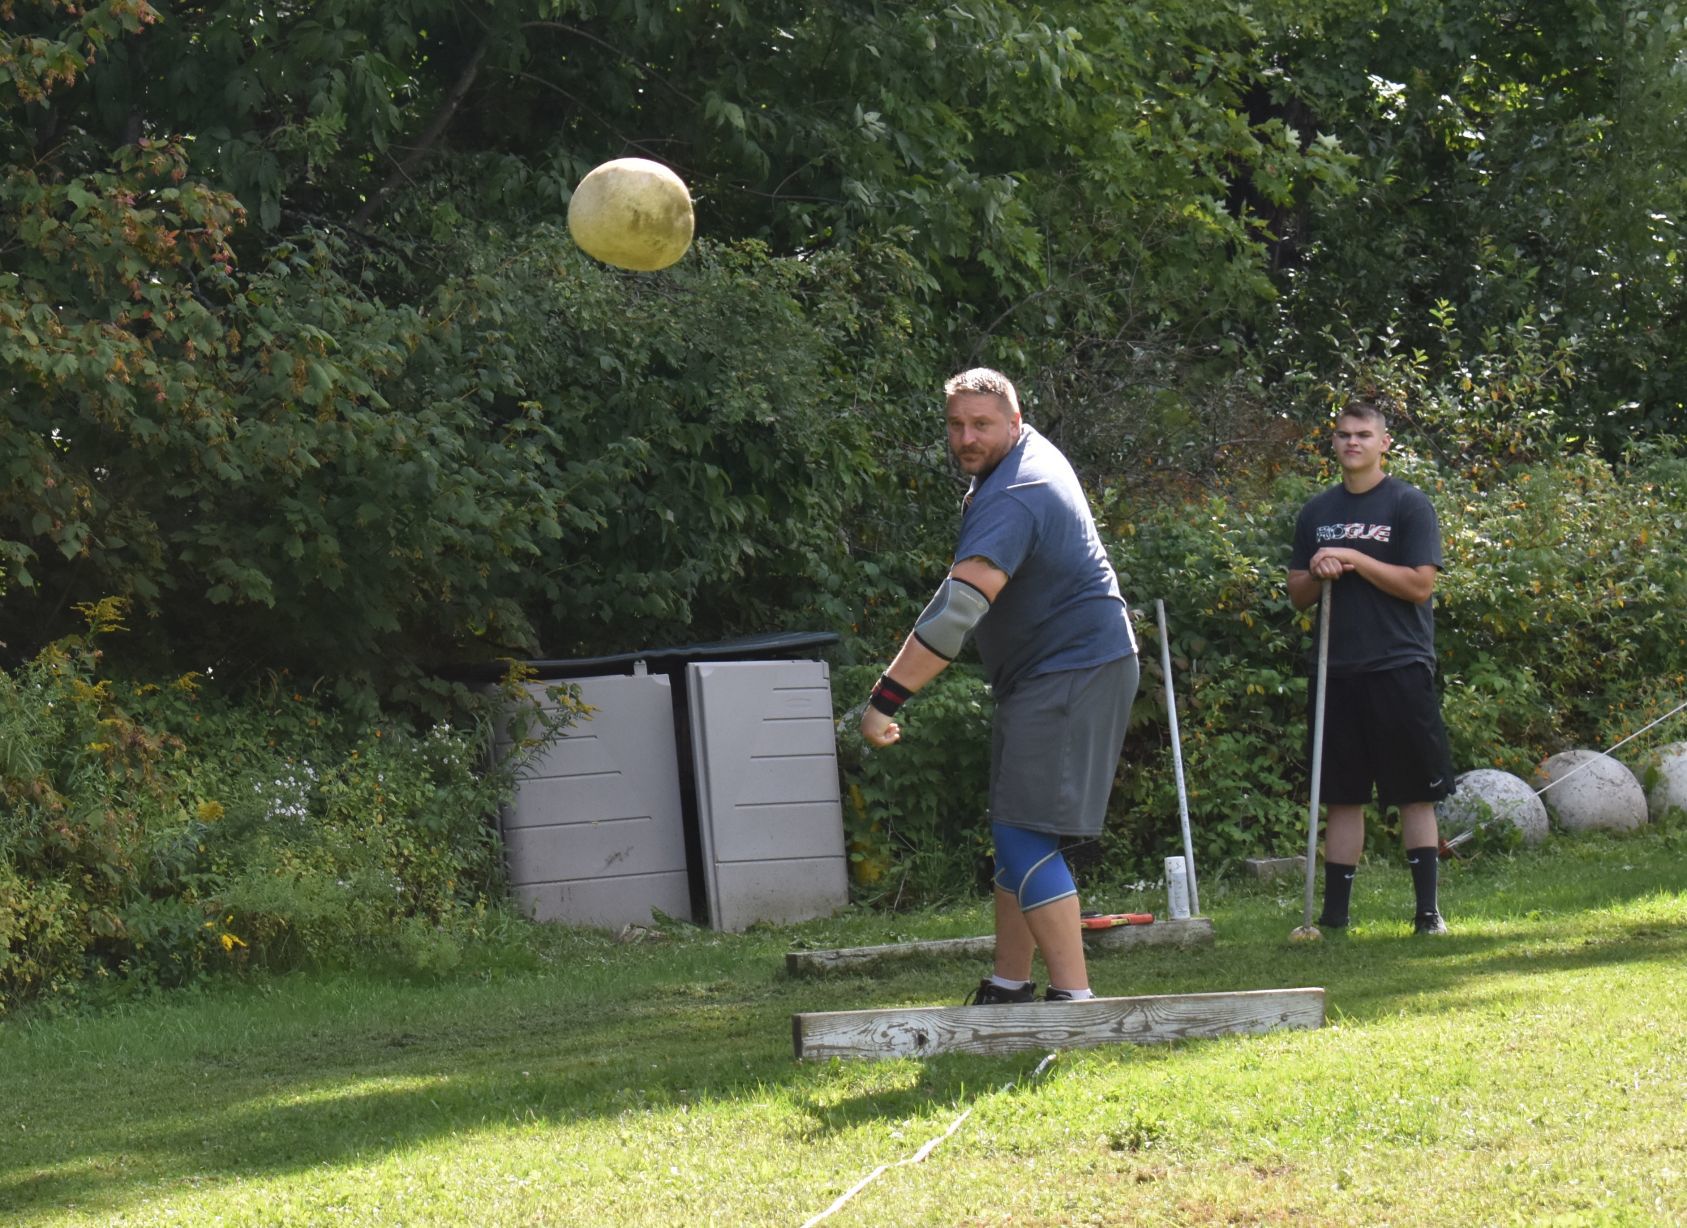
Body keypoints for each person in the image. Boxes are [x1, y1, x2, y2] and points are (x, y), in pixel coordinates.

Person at [859, 367, 1139, 1003]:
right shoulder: (1021, 459)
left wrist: (885, 698)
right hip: (1055, 670)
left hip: (1071, 669)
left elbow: (960, 608)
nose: (967, 438)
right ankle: (1009, 985)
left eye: (982, 424)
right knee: (1015, 825)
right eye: (956, 425)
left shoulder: (1016, 492)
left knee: (1023, 834)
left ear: (1013, 422)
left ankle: (1074, 1005)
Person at [1287, 394, 1453, 935]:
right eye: (1343, 434)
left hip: (1399, 665)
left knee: (1413, 793)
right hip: (1337, 669)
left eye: (1362, 434)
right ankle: (1335, 919)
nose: (1352, 442)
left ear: (1384, 443)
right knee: (1342, 795)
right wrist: (1319, 569)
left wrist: (1356, 559)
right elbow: (1297, 594)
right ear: (1333, 443)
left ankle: (1427, 914)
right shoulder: (1317, 512)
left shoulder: (1408, 505)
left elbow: (1420, 585)